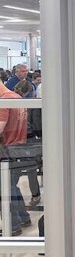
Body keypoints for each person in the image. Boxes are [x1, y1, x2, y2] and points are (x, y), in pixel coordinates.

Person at [0, 80, 32, 235]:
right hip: (19, 148)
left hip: (7, 150)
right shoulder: (16, 98)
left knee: (5, 189)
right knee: (11, 186)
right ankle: (24, 218)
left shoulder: (4, 101)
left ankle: (12, 226)